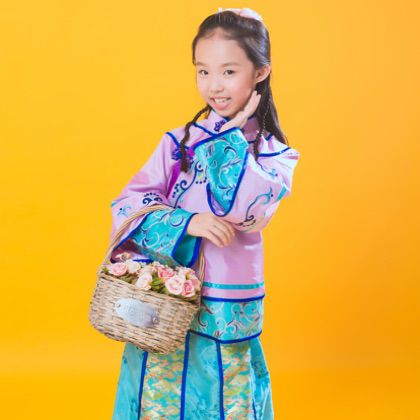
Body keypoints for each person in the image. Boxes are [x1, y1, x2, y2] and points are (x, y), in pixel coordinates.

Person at [110, 7, 300, 419]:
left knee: (226, 391)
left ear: (261, 72)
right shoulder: (177, 143)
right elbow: (126, 206)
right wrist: (186, 222)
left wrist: (230, 135)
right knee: (155, 386)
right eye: (203, 71)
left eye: (228, 72)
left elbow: (245, 210)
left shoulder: (275, 156)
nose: (214, 85)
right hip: (164, 296)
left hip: (226, 300)